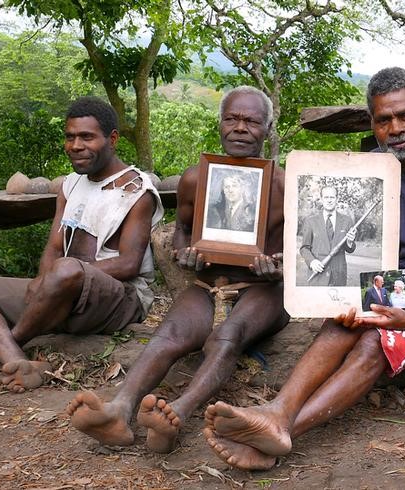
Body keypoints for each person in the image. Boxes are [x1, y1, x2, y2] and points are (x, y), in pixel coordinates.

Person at [203, 67, 405, 470]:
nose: (396, 128)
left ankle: (282, 432)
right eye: (383, 120)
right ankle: (276, 410)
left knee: (376, 340)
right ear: (372, 124)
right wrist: (334, 290)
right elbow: (353, 249)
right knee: (345, 321)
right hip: (390, 278)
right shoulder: (370, 166)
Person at [66, 86, 288, 453]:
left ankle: (178, 414)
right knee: (168, 335)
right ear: (220, 124)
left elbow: (301, 250)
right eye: (231, 119)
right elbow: (184, 229)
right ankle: (119, 410)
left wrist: (276, 266)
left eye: (251, 121)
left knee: (226, 337)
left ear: (267, 128)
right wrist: (184, 250)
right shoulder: (197, 179)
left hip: (263, 290)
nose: (240, 128)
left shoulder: (283, 185)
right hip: (207, 282)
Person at [0, 97, 164, 393]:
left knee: (66, 269)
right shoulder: (70, 184)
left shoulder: (136, 191)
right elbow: (54, 247)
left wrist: (58, 277)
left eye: (87, 137)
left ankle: (1, 345)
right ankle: (16, 359)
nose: (76, 145)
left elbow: (128, 264)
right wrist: (44, 282)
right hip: (61, 292)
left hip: (117, 300)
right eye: (70, 137)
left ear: (112, 139)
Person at [299, 186, 357, 286]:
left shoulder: (347, 221)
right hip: (317, 276)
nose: (329, 200)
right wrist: (312, 262)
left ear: (337, 199)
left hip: (339, 277)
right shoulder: (310, 221)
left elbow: (350, 249)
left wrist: (350, 242)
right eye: (326, 197)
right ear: (321, 199)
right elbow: (304, 248)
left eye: (332, 197)